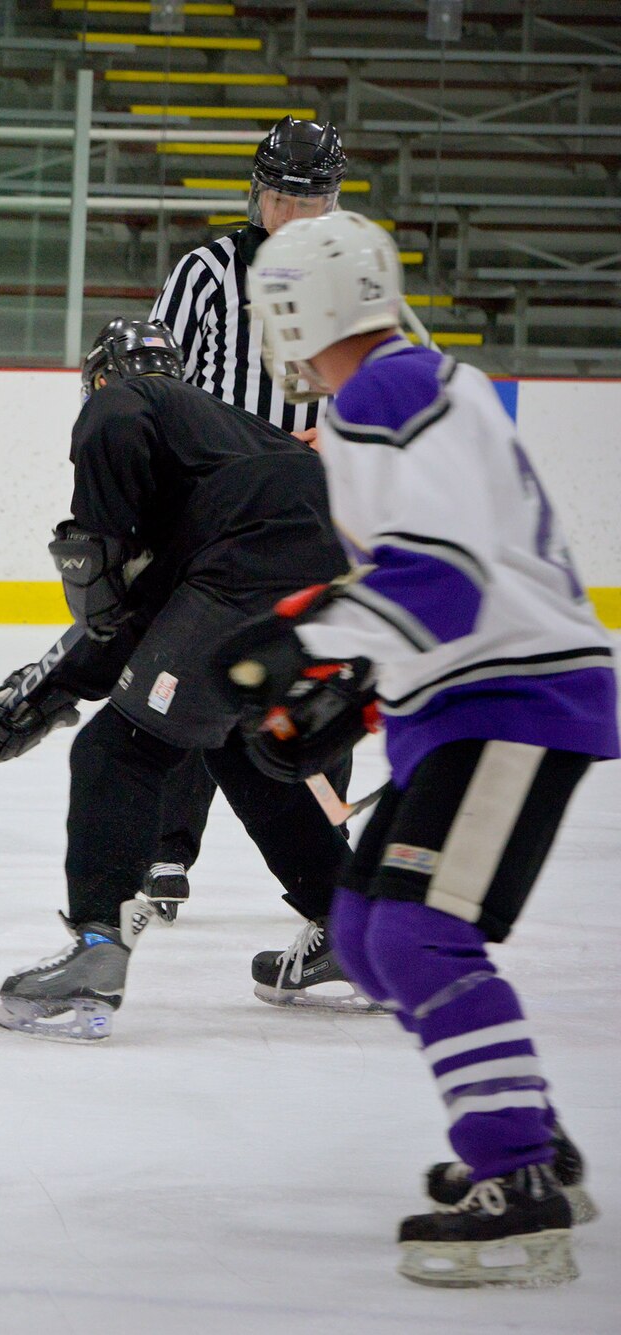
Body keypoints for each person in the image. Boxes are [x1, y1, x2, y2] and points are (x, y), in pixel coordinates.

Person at [228, 210, 614, 1287]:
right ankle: (531, 1138)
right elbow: (428, 578)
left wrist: (300, 643)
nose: (273, 335)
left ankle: (518, 1190)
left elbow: (439, 581)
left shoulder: (382, 393)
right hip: (468, 700)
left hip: (513, 699)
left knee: (414, 938)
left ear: (306, 307)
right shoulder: (406, 385)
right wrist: (347, 688)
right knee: (359, 931)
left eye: (275, 310)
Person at [0, 317, 367, 1043]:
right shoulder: (212, 446)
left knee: (120, 747)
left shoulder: (127, 402)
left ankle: (93, 951)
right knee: (242, 742)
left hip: (257, 558)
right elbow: (146, 623)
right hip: (335, 562)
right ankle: (357, 933)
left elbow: (120, 605)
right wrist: (41, 692)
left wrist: (97, 548)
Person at [139, 115, 350, 917]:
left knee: (316, 682)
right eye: (281, 199)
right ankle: (166, 849)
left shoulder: (353, 283)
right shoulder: (206, 273)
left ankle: (331, 876)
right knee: (188, 665)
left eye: (312, 201)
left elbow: (397, 390)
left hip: (313, 518)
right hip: (216, 511)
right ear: (258, 196)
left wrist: (343, 441)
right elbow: (154, 382)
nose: (294, 216)